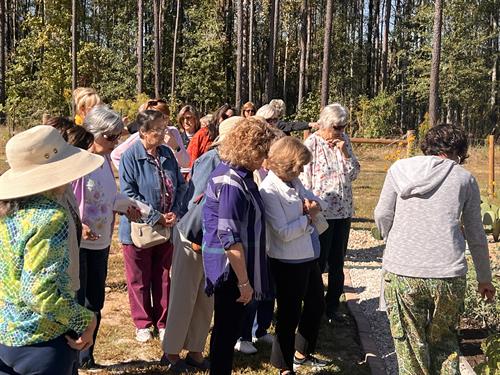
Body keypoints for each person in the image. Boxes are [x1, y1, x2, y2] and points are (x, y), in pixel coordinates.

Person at [374, 124, 495, 375]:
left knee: (409, 346)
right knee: (445, 343)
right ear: (459, 153)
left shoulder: (398, 170)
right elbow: (475, 233)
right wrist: (484, 278)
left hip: (403, 271)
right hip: (448, 275)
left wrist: (394, 239)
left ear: (426, 146)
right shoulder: (464, 179)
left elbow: (382, 214)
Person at [0, 125, 103, 375]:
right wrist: (86, 319)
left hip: (7, 338)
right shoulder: (50, 218)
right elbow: (37, 292)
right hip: (43, 342)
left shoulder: (8, 211)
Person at [160, 116, 242, 372]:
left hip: (214, 241)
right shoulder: (211, 159)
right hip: (194, 237)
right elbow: (197, 200)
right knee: (184, 296)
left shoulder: (235, 163)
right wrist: (200, 238)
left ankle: (196, 350)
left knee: (205, 298)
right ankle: (171, 352)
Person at [202, 118, 275, 375]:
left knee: (228, 329)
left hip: (237, 266)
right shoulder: (232, 181)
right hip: (231, 269)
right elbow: (229, 236)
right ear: (250, 148)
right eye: (263, 151)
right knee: (225, 331)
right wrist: (244, 282)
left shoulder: (241, 175)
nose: (266, 158)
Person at [260, 136, 329, 375]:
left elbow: (316, 200)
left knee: (316, 305)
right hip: (287, 260)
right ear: (286, 163)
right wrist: (307, 217)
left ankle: (302, 352)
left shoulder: (294, 182)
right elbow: (282, 233)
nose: (302, 171)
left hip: (308, 255)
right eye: (299, 166)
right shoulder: (269, 190)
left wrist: (311, 208)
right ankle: (283, 365)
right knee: (289, 314)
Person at [119, 110, 186, 343]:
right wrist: (155, 216)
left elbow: (180, 184)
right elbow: (129, 193)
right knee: (139, 277)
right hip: (138, 229)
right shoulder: (130, 157)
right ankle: (143, 323)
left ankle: (163, 321)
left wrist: (176, 212)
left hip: (167, 226)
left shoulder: (167, 153)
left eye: (164, 129)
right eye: (157, 130)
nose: (162, 134)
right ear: (143, 132)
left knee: (164, 276)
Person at [72, 105, 127, 368]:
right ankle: (72, 358)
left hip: (101, 242)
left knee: (96, 301)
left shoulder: (104, 161)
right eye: (109, 136)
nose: (114, 142)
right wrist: (78, 224)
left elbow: (109, 196)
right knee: (78, 302)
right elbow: (67, 200)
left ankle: (86, 359)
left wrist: (127, 206)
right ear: (92, 132)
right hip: (79, 244)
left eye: (117, 136)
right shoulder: (78, 163)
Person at [300, 103, 360, 323]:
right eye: (337, 126)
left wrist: (344, 153)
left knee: (338, 262)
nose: (341, 130)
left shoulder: (345, 142)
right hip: (322, 212)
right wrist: (308, 206)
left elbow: (354, 174)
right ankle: (313, 305)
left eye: (344, 126)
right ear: (325, 124)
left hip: (343, 211)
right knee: (318, 261)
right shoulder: (311, 144)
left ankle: (332, 306)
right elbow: (304, 178)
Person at [111, 99, 190, 170]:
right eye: (160, 118)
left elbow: (185, 163)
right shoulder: (141, 136)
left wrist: (176, 147)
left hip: (171, 184)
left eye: (166, 117)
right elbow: (116, 155)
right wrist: (133, 175)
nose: (164, 121)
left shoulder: (173, 131)